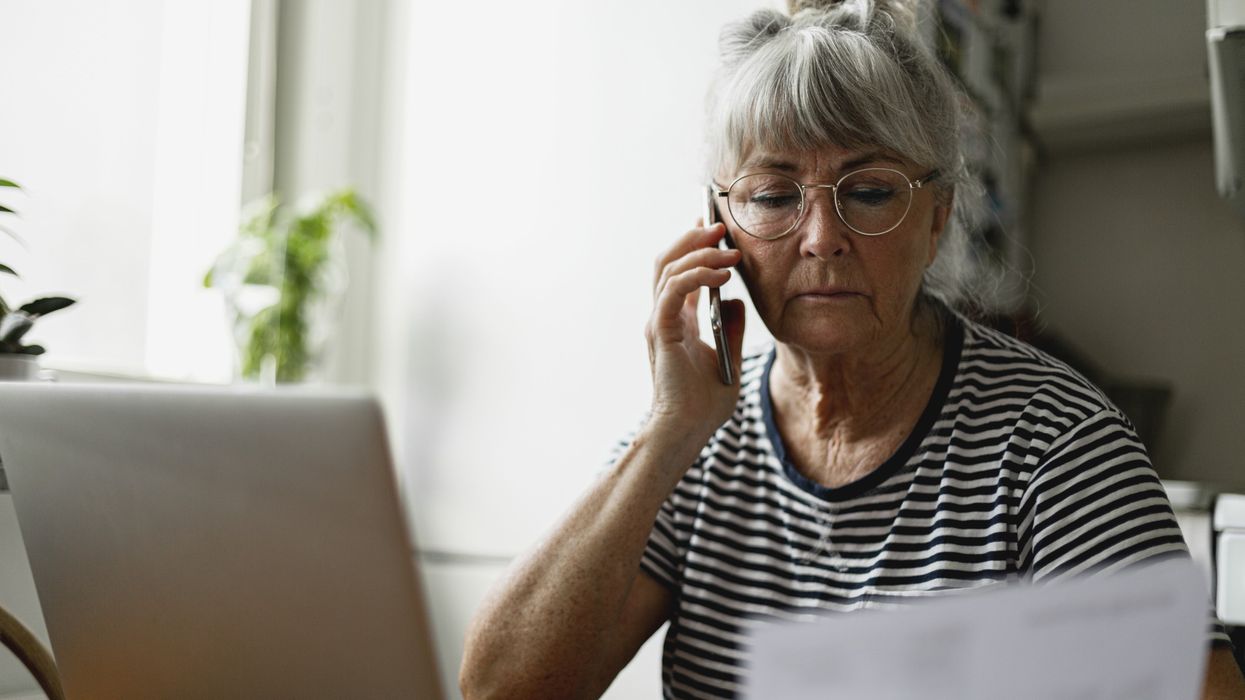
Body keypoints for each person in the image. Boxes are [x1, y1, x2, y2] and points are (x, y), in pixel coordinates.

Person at [459, 1, 1245, 698]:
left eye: (868, 192)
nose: (822, 238)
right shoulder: (698, 432)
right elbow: (503, 689)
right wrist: (668, 431)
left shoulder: (1053, 442)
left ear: (936, 218)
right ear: (718, 226)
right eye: (772, 196)